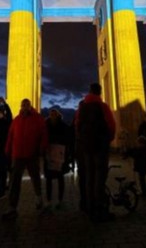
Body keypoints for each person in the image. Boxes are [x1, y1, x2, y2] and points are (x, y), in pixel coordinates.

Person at [75, 82, 116, 222]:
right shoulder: (102, 106)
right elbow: (111, 125)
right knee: (100, 177)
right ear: (100, 92)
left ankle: (89, 207)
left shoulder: (82, 107)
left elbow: (77, 125)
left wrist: (83, 140)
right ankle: (100, 209)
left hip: (87, 147)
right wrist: (109, 139)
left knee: (89, 177)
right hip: (100, 147)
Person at [2, 99, 48, 220]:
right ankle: (12, 206)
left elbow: (44, 134)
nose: (25, 107)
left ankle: (39, 199)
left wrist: (42, 148)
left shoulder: (38, 118)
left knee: (35, 178)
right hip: (18, 154)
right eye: (23, 105)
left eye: (27, 104)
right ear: (21, 106)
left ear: (30, 106)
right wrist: (7, 149)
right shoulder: (16, 120)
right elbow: (11, 135)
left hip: (32, 154)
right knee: (14, 181)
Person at [43, 108, 72, 210]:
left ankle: (59, 200)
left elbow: (68, 138)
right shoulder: (46, 125)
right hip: (50, 153)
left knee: (59, 178)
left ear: (58, 115)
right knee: (49, 178)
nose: (53, 115)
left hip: (59, 153)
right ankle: (49, 200)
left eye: (54, 114)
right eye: (51, 113)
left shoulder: (48, 125)